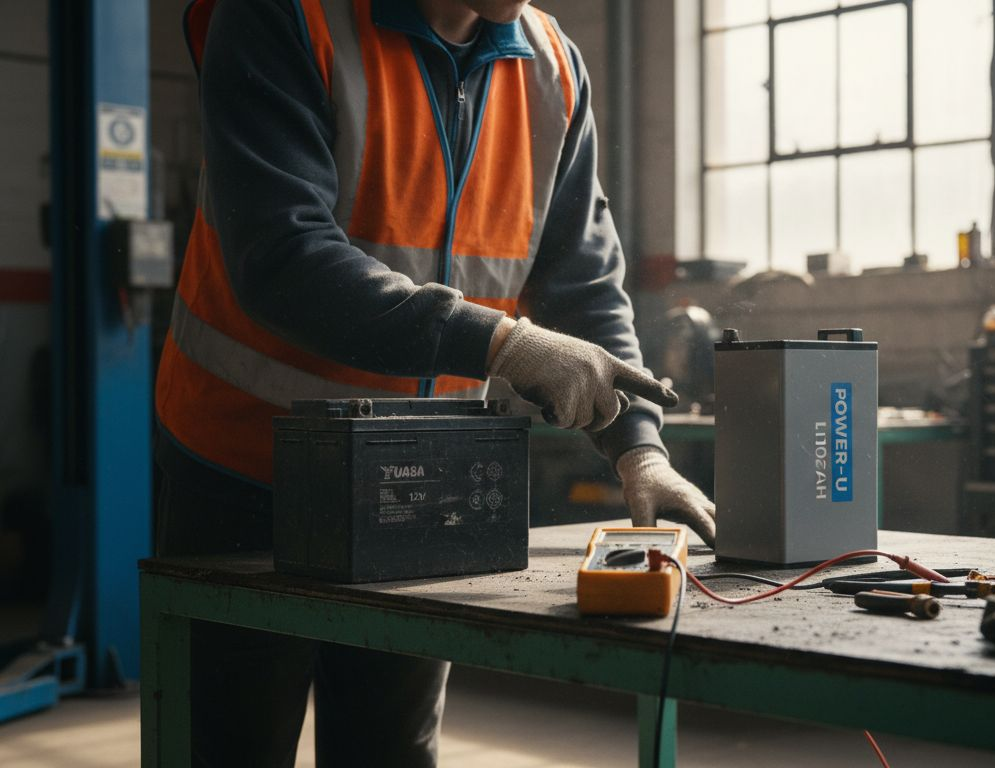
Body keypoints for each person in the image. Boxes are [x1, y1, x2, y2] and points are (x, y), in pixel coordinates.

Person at [154, 0, 715, 765]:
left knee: (389, 752)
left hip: (417, 488)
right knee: (231, 747)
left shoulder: (550, 65)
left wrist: (638, 452)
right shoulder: (284, 15)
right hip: (246, 474)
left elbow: (582, 285)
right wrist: (501, 342)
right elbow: (280, 257)